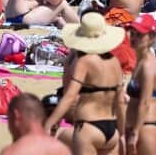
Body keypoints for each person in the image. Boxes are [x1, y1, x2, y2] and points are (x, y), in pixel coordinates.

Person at [44, 13, 125, 155]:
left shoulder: (85, 61)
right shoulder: (114, 62)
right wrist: (124, 133)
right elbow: (120, 102)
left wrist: (51, 122)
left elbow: (69, 96)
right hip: (112, 130)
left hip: (89, 127)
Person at [124, 15, 156, 155]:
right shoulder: (141, 62)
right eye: (132, 33)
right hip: (139, 128)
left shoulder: (148, 66)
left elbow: (145, 103)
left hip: (145, 129)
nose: (134, 38)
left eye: (139, 35)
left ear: (152, 37)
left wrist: (135, 134)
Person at [1, 93, 69, 155]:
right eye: (49, 113)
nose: (53, 118)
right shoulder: (62, 148)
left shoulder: (14, 151)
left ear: (16, 116)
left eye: (56, 114)